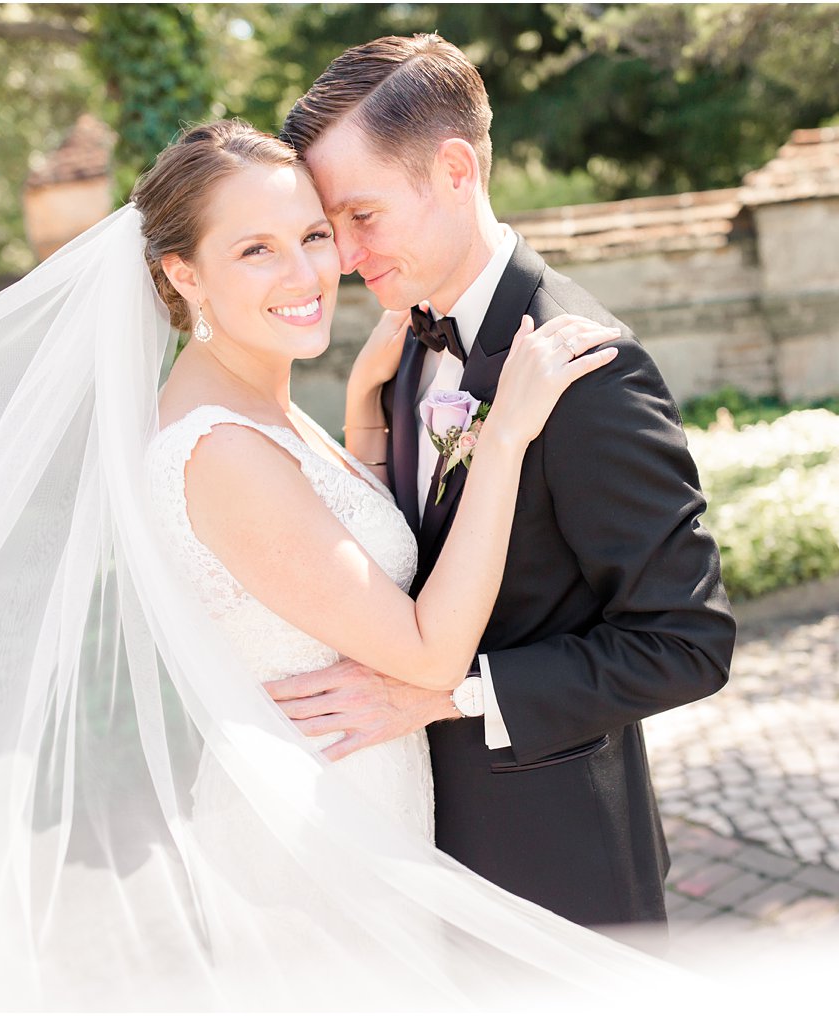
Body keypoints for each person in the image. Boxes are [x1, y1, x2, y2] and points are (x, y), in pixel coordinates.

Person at [0, 119, 705, 1009]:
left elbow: (346, 561)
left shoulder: (262, 410)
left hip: (371, 806)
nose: (308, 270)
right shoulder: (219, 450)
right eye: (255, 247)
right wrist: (501, 441)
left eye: (314, 234)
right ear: (183, 275)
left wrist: (364, 420)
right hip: (318, 846)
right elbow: (422, 647)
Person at [273, 33, 738, 933]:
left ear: (453, 171)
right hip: (419, 841)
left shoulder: (589, 367)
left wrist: (446, 693)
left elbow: (687, 641)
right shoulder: (410, 335)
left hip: (557, 864)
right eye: (333, 226)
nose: (342, 255)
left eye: (361, 217)